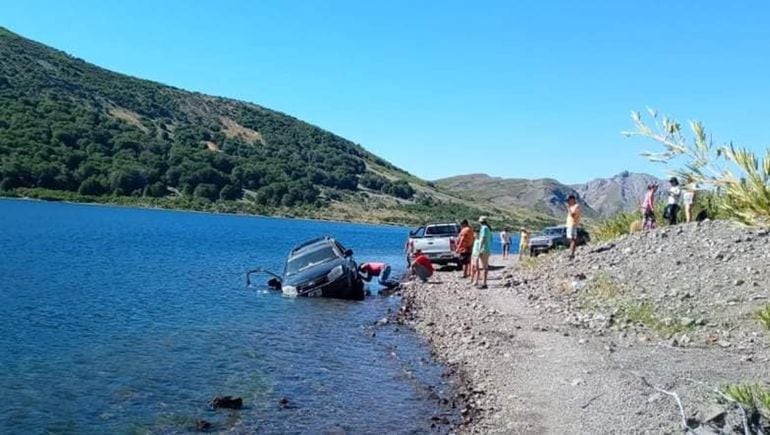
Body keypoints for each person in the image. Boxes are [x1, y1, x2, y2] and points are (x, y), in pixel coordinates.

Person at [477, 216, 493, 289]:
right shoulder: (488, 229)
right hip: (487, 249)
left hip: (484, 249)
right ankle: (484, 282)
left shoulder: (484, 228)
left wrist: (479, 249)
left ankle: (484, 283)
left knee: (483, 267)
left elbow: (482, 239)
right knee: (485, 266)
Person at [565, 195, 582, 260]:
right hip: (569, 225)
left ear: (572, 200)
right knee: (570, 239)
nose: (568, 202)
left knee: (572, 239)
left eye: (569, 200)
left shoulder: (576, 206)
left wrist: (568, 208)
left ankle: (572, 254)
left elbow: (573, 215)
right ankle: (571, 252)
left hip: (573, 224)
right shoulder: (572, 207)